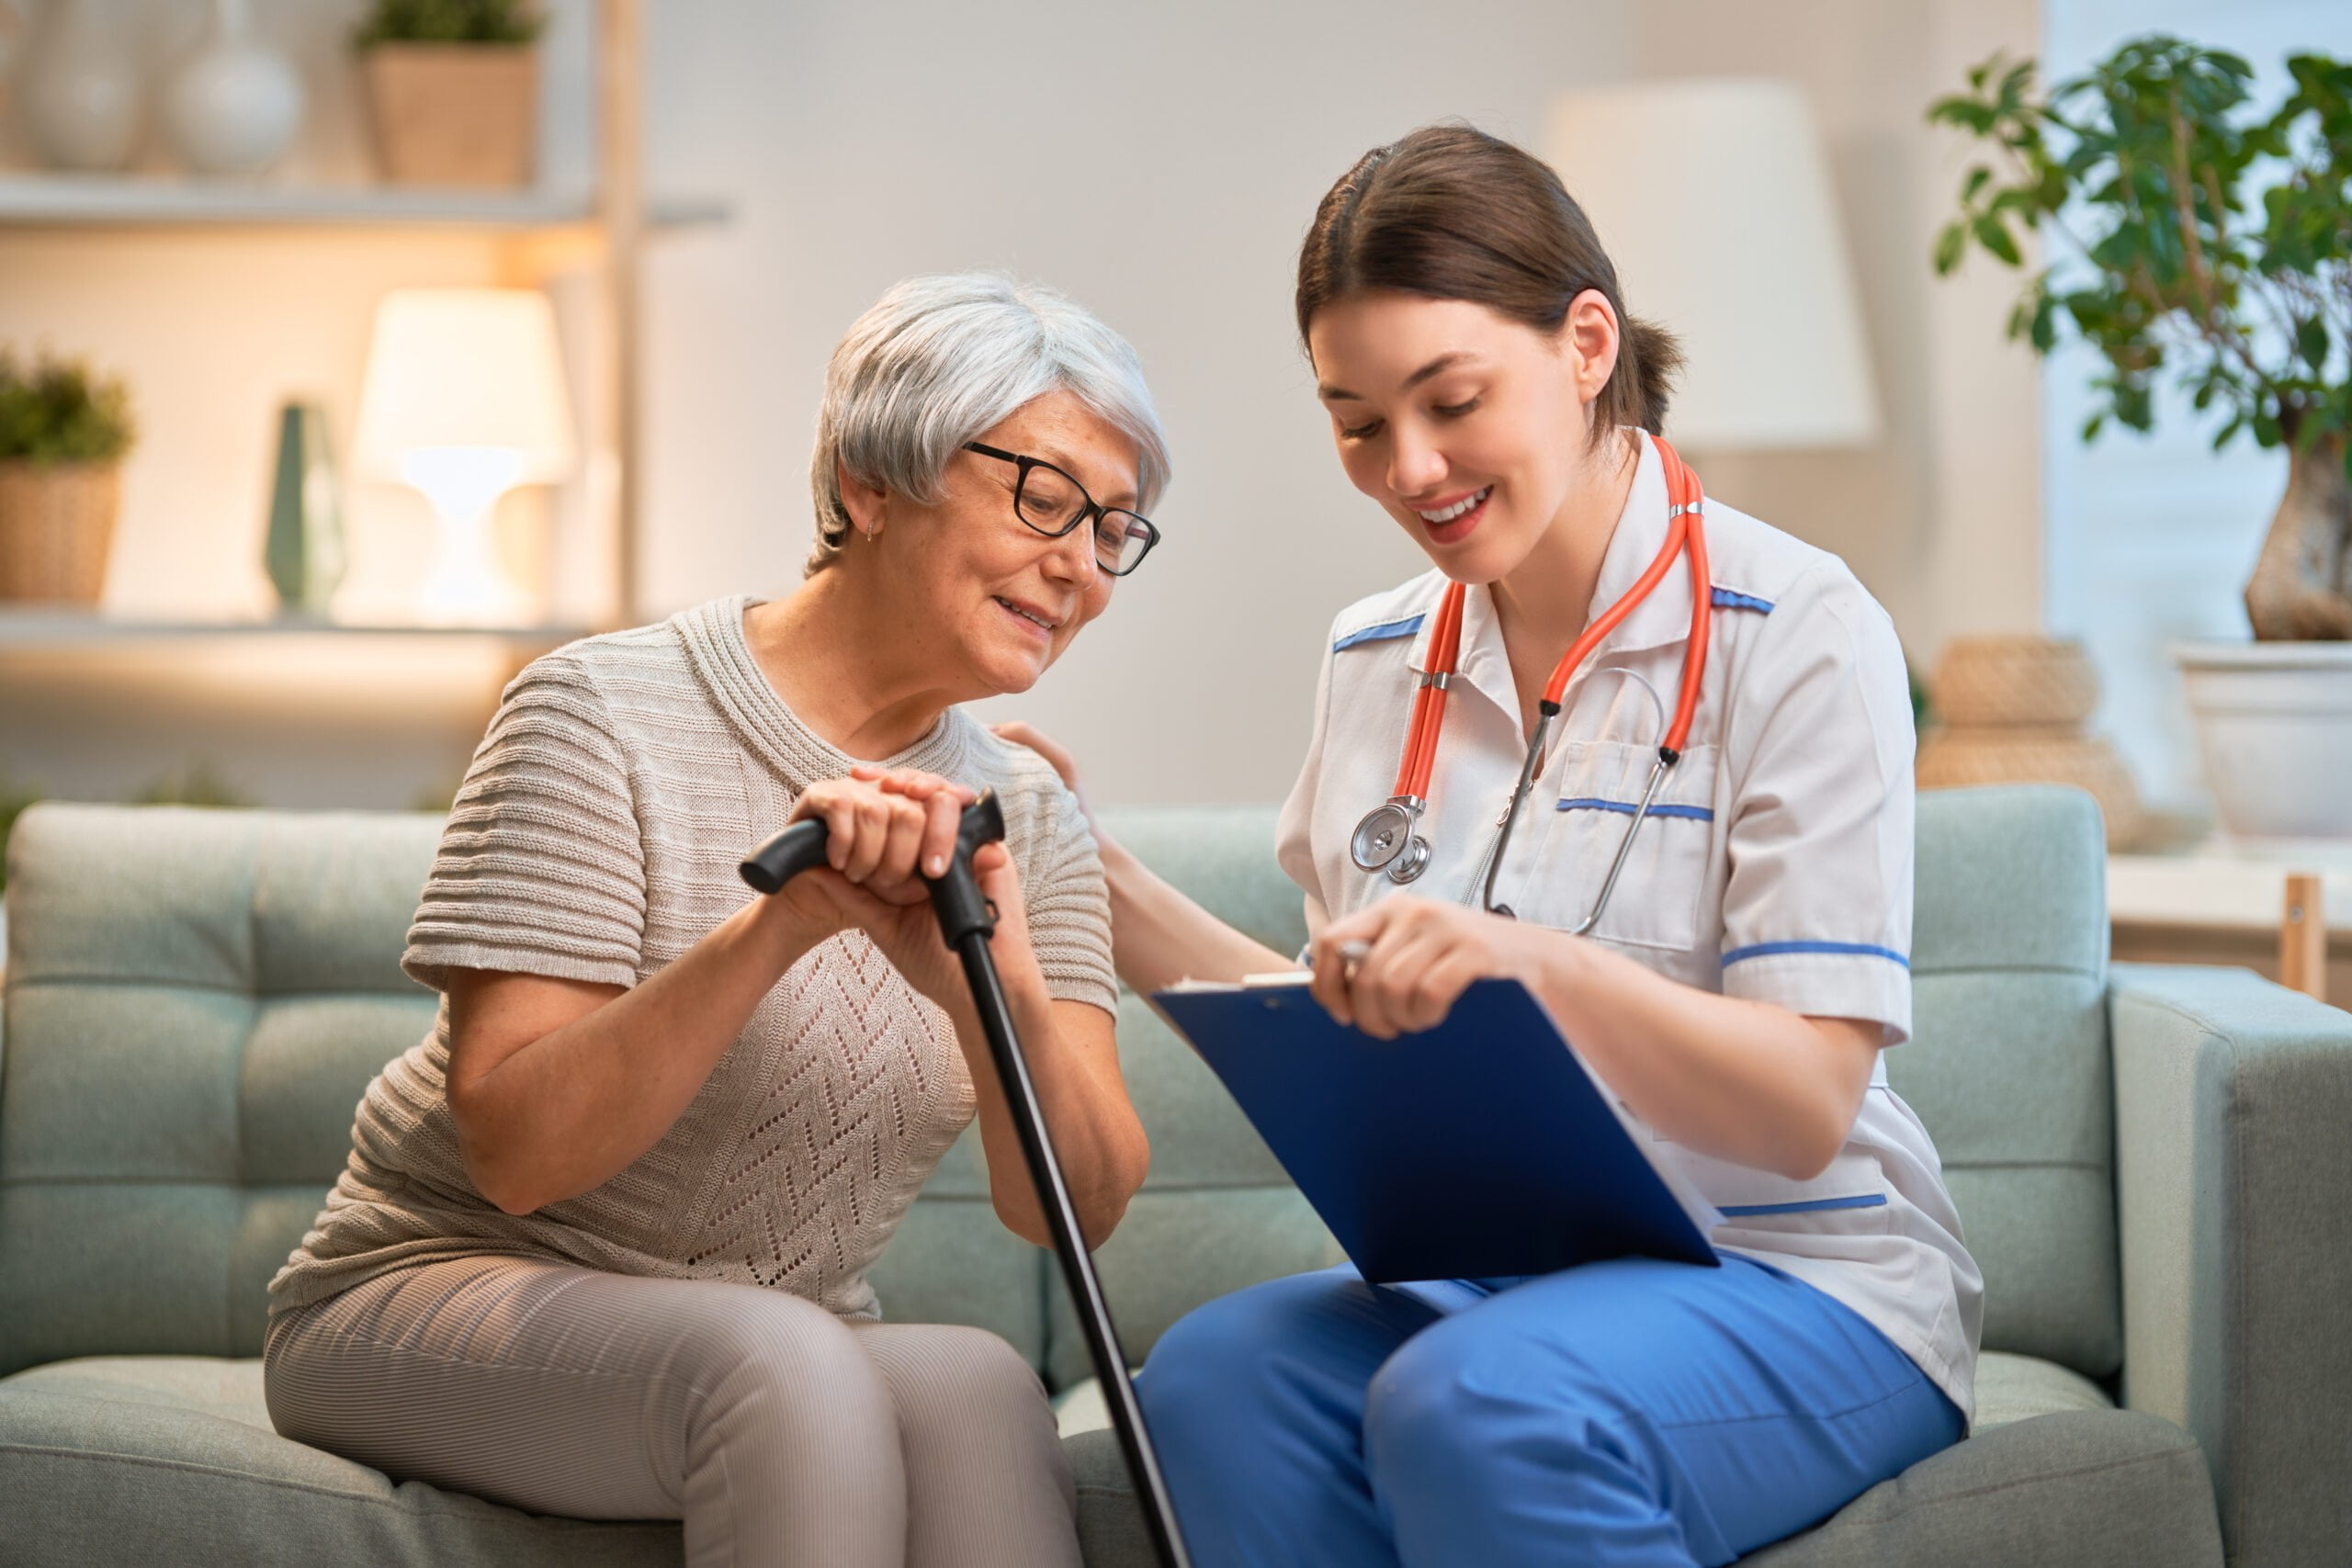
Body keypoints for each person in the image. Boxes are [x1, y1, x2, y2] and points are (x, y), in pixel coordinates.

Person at [996, 125, 1983, 1567]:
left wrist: (1529, 966)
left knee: (1484, 1402)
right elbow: (1337, 1005)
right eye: (1357, 423)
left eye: (1452, 400)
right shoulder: (1376, 655)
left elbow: (1803, 1106)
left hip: (1800, 1276)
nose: (1412, 468)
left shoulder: (1801, 631)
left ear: (1587, 342)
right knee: (1215, 1383)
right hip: (1505, 1283)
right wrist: (1082, 862)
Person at [263, 272, 1168, 1568]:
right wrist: (778, 927)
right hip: (433, 1286)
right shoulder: (596, 713)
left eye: (1116, 530)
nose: (1080, 564)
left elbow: (1068, 1214)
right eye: (1044, 497)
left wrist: (996, 985)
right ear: (869, 479)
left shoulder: (1026, 813)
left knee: (974, 1384)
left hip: (778, 1321)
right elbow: (516, 1152)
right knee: (788, 1363)